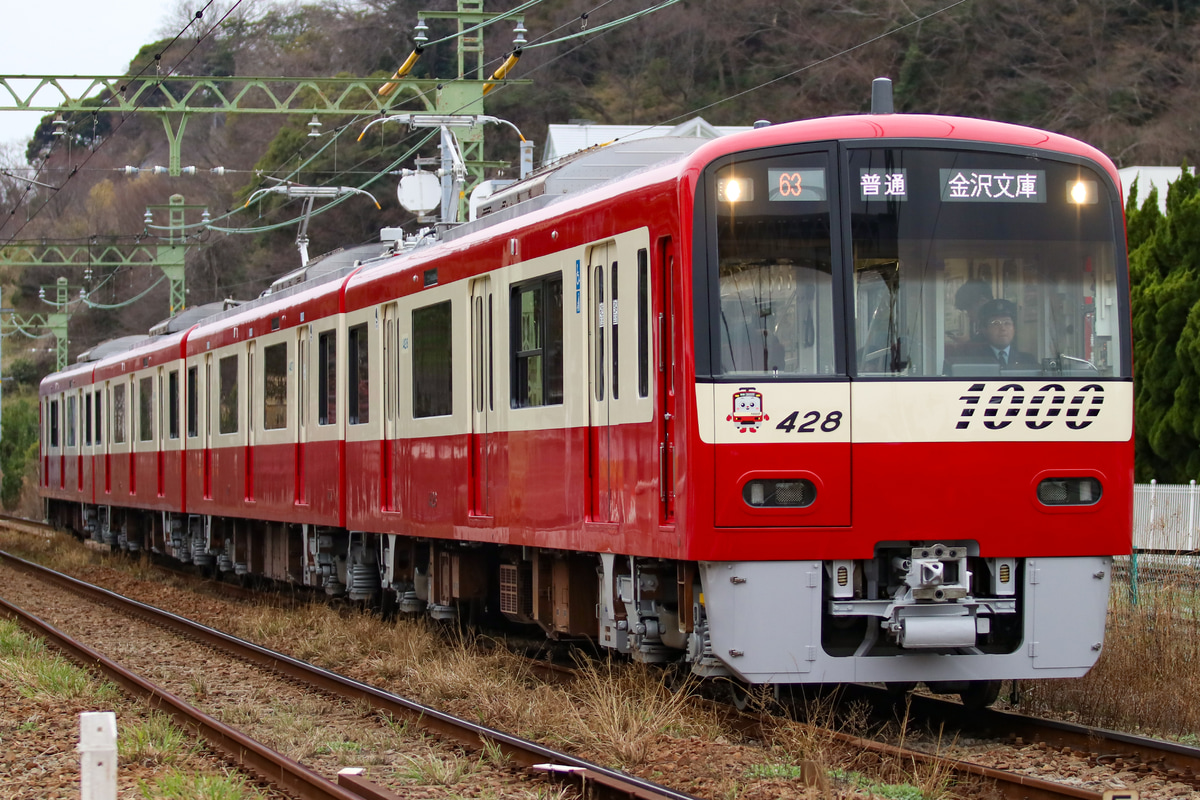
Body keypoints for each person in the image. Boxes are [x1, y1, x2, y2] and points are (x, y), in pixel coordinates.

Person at [970, 298, 1037, 368]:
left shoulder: (1028, 361)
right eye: (995, 323)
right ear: (984, 329)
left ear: (1014, 328)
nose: (1003, 328)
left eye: (1007, 323)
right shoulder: (974, 360)